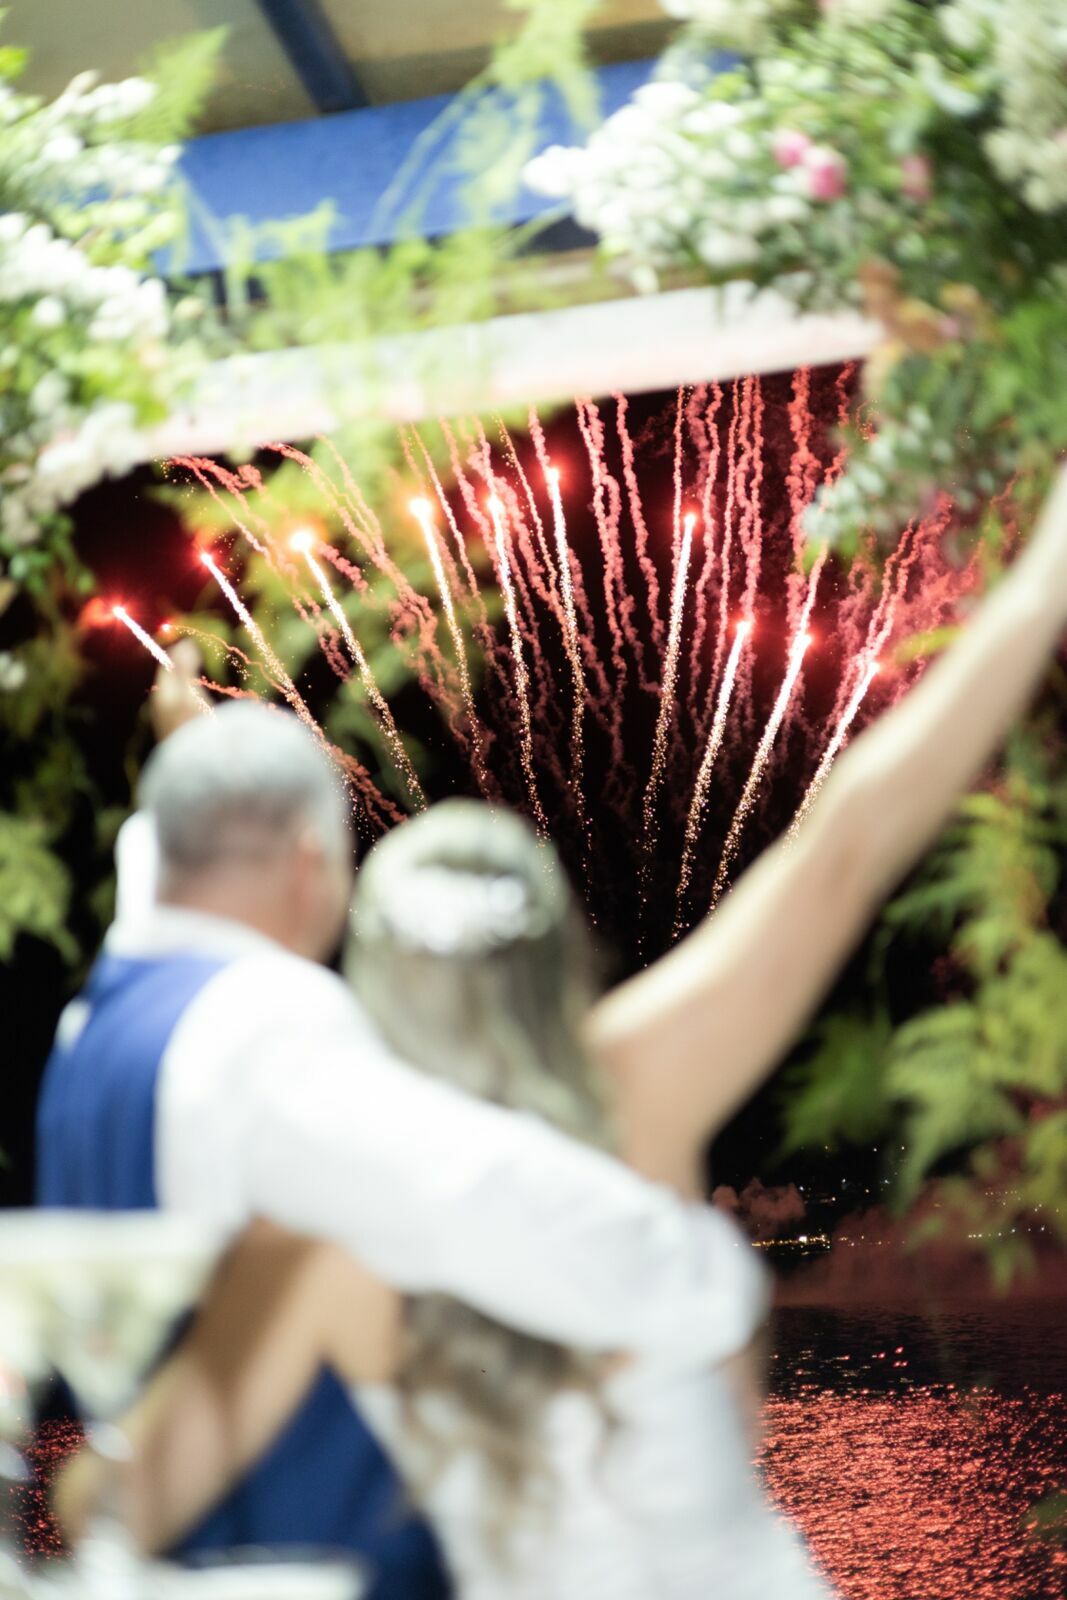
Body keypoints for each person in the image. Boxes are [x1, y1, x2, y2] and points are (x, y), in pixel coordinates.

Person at [57, 463, 1067, 1594]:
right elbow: (846, 843)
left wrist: (194, 772)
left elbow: (120, 1500)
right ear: (558, 960)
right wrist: (1035, 591)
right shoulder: (635, 1086)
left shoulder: (328, 1235)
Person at [35, 683, 768, 1597]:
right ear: (309, 861)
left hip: (165, 1532)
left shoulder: (100, 1029)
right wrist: (693, 1268)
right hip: (309, 1555)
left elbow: (188, 872)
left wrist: (197, 758)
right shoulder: (277, 1028)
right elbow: (469, 1184)